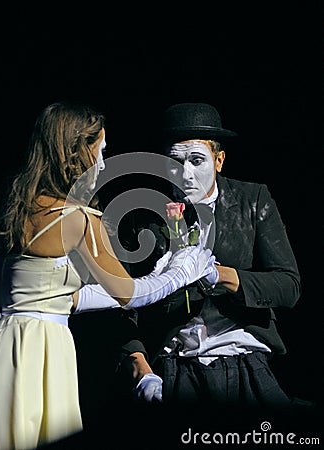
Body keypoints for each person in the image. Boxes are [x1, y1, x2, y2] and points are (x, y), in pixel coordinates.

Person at [0, 101, 216, 450]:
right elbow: (129, 294)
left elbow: (58, 295)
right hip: (39, 351)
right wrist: (181, 271)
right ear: (78, 151)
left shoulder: (16, 205)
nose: (104, 162)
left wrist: (158, 272)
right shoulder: (77, 219)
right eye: (101, 150)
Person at [114, 102, 303, 423]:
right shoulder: (141, 215)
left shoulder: (252, 200)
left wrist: (220, 275)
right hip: (174, 368)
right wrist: (140, 368)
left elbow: (288, 286)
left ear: (219, 160)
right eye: (174, 162)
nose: (185, 173)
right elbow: (120, 305)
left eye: (197, 160)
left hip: (243, 362)